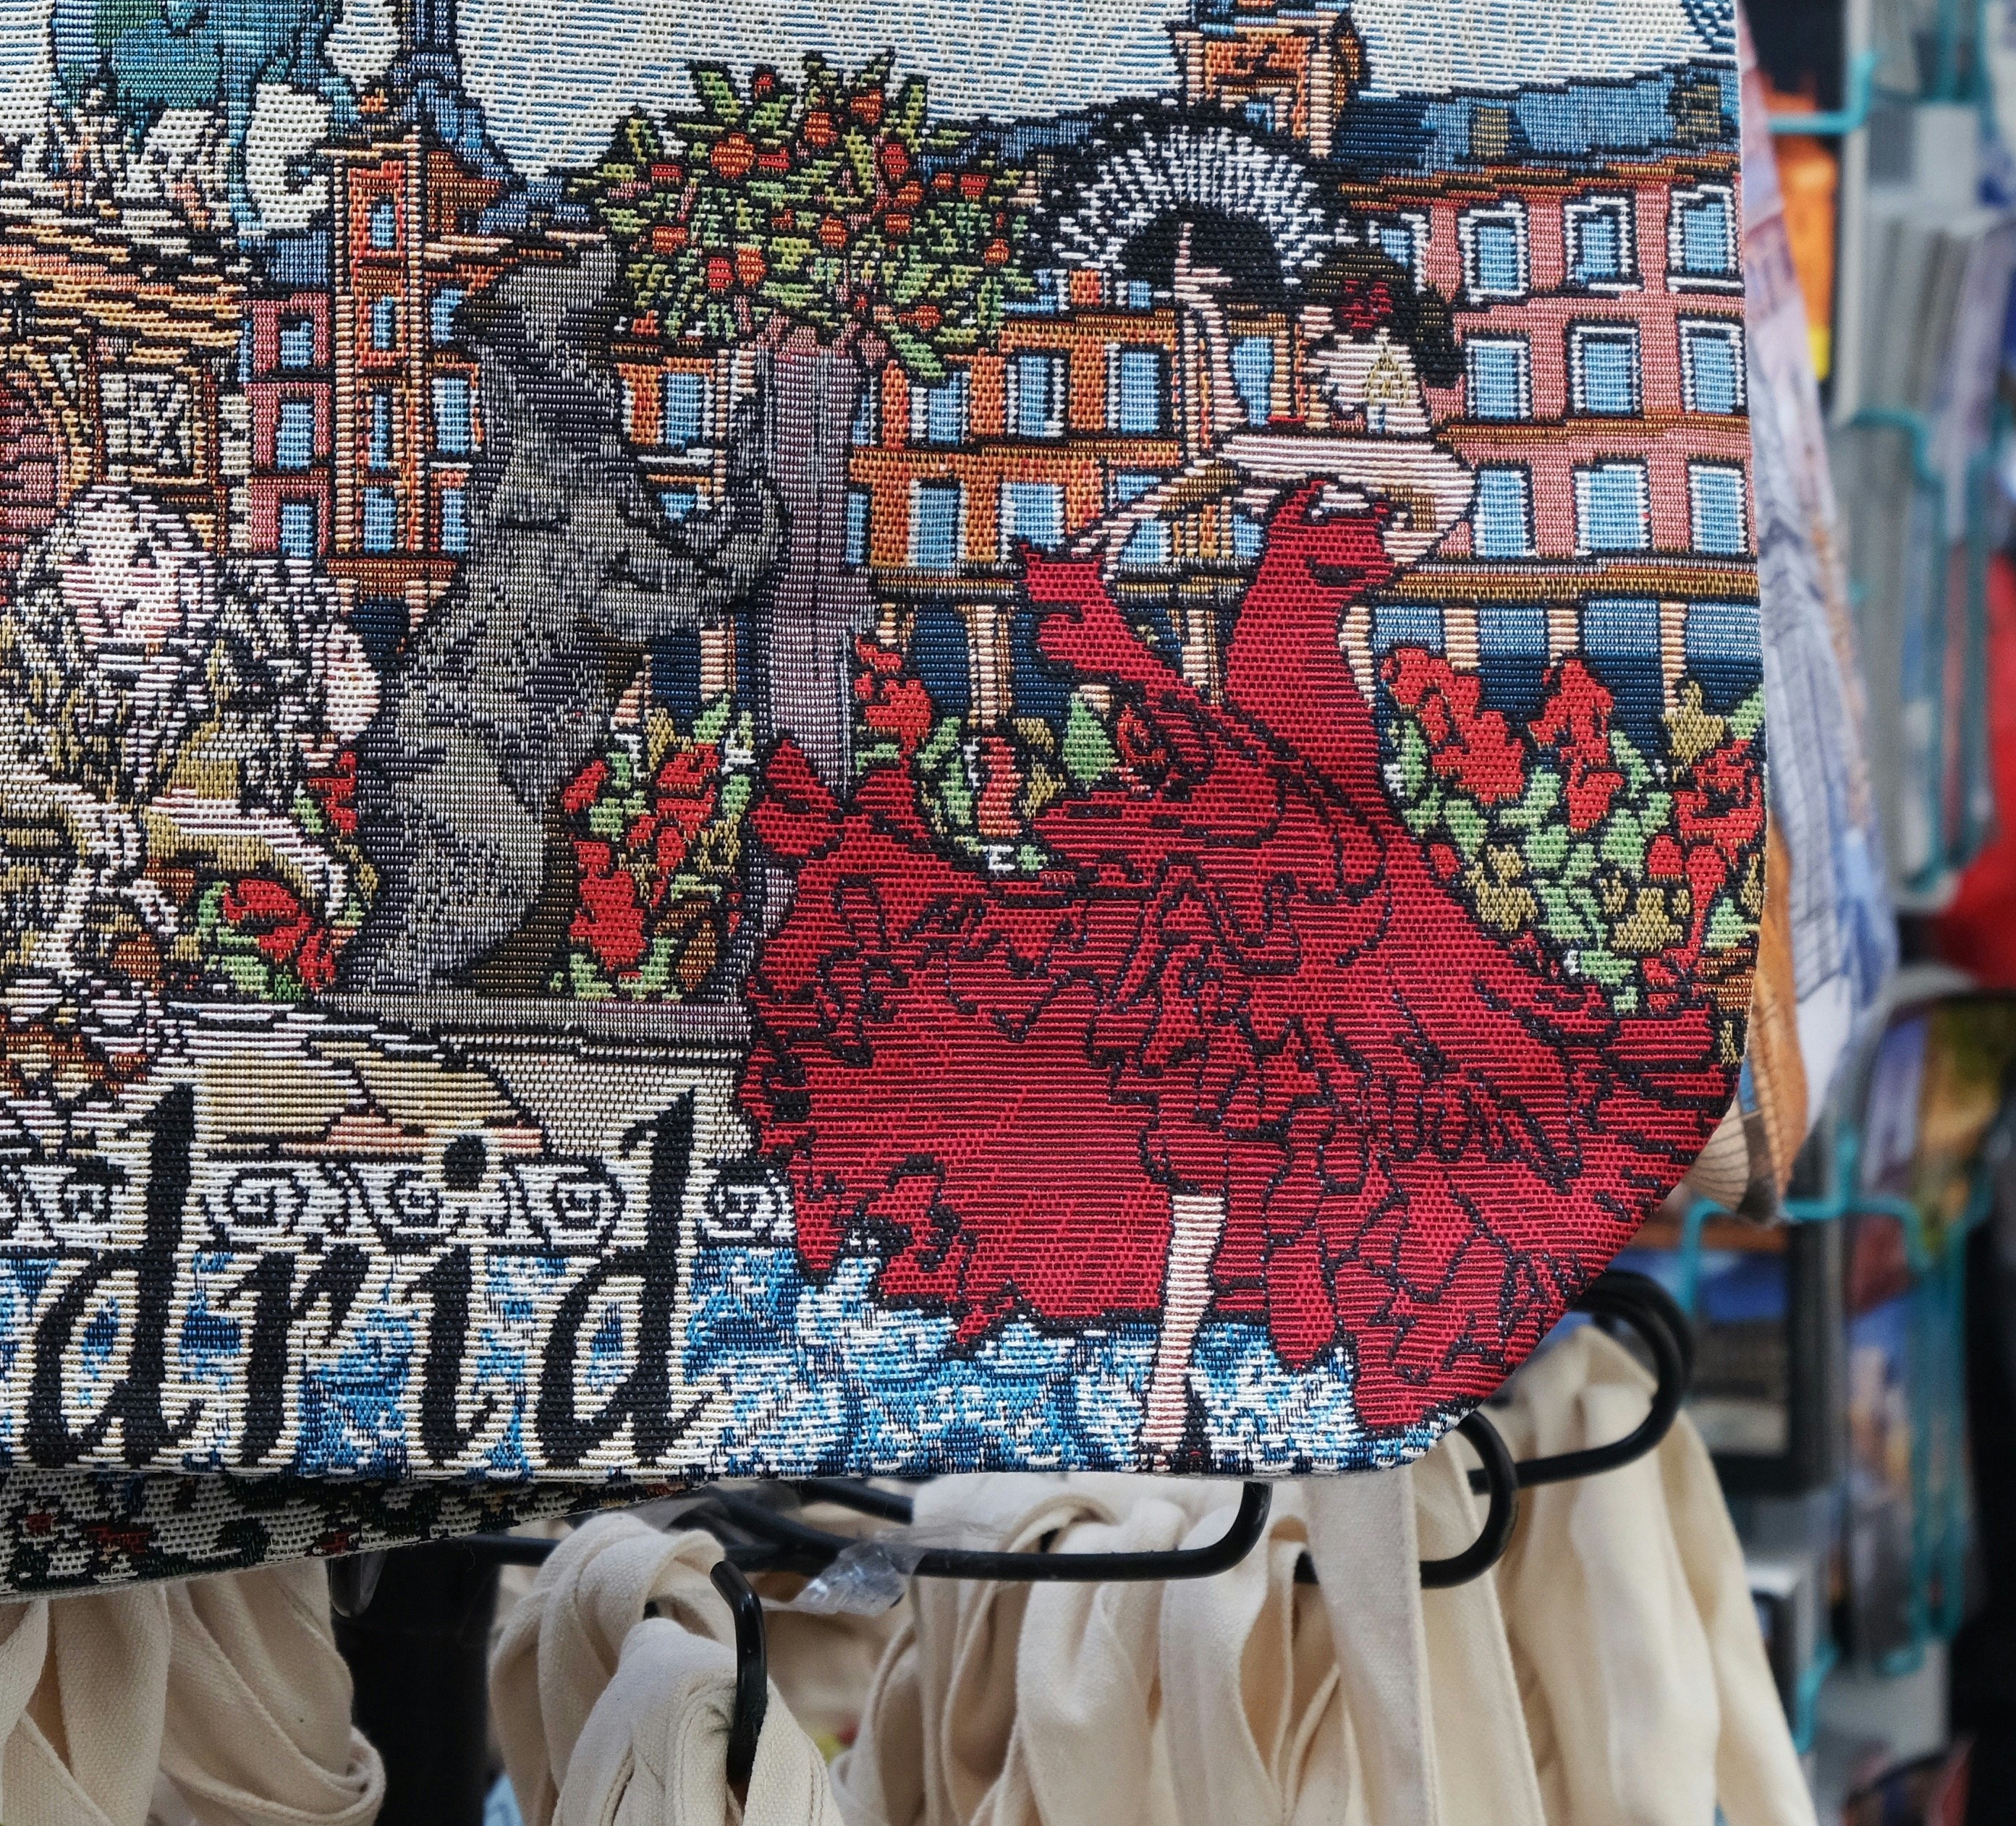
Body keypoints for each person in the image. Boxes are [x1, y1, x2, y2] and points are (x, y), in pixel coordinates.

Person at [741, 239, 1736, 1461]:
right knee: (1195, 1050)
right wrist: (1193, 362)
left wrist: (1221, 464)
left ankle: (1193, 1364)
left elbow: (1286, 455)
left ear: (1391, 351)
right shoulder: (1323, 472)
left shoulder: (1428, 482)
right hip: (1251, 760)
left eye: (1331, 341)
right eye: (1309, 341)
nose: (1313, 358)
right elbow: (1238, 451)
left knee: (1260, 1056)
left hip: (1316, 782)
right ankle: (1168, 1368)